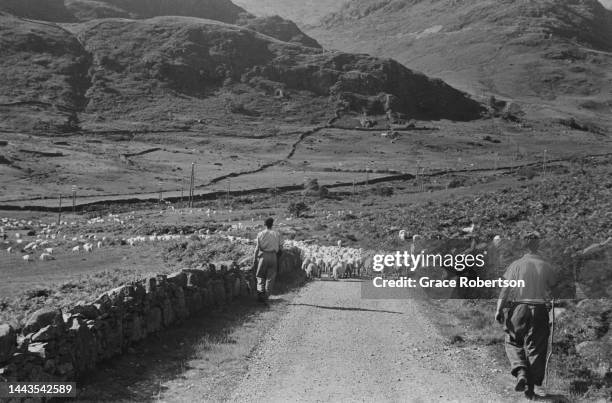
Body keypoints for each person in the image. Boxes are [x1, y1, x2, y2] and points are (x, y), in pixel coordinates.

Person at [495, 232, 556, 400]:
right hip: (540, 309)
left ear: (524, 246)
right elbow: (554, 286)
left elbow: (506, 289)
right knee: (537, 347)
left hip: (520, 307)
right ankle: (531, 385)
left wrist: (499, 309)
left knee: (512, 340)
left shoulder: (516, 264)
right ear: (539, 245)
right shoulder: (546, 265)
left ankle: (521, 370)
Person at [253, 217, 282, 303]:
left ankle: (260, 293)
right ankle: (266, 296)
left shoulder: (260, 234)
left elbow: (257, 248)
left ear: (264, 224)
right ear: (272, 224)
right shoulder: (277, 234)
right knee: (271, 277)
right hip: (273, 256)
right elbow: (280, 248)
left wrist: (254, 259)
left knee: (260, 276)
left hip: (263, 256)